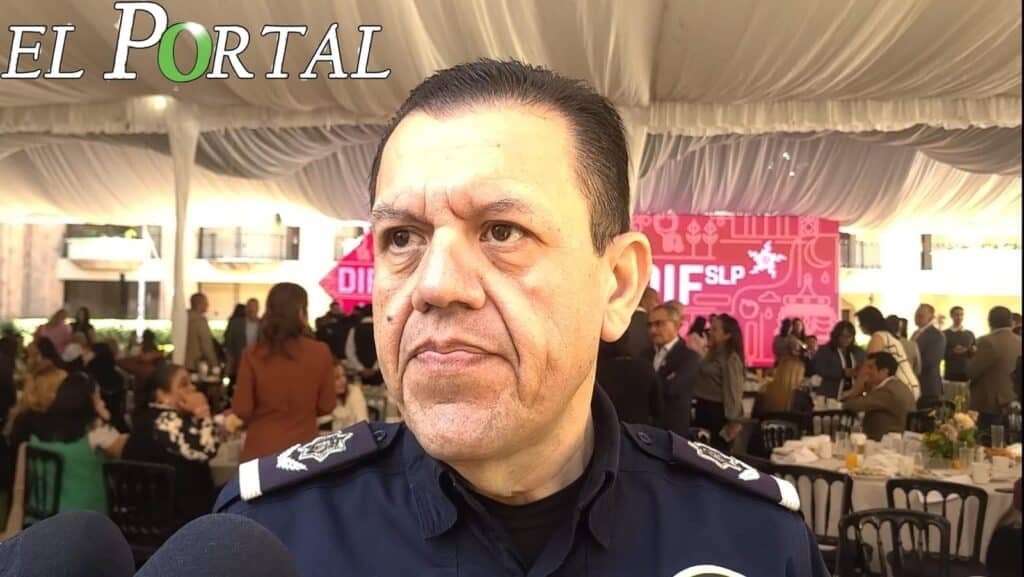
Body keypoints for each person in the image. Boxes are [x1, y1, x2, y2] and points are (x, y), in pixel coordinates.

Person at [216, 60, 826, 577]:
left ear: (618, 285)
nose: (435, 285)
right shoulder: (270, 544)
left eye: (502, 231)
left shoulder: (751, 542)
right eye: (402, 237)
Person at [232, 282, 336, 461]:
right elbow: (327, 405)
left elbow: (242, 409)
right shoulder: (321, 352)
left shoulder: (252, 354)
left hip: (260, 451)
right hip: (304, 452)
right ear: (301, 312)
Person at [5, 368, 120, 522]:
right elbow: (127, 450)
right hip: (84, 518)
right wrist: (107, 418)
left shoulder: (35, 431)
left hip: (39, 514)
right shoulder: (95, 432)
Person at [121, 363, 220, 529]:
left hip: (148, 514)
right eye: (183, 384)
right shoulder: (166, 421)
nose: (192, 388)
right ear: (162, 395)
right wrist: (203, 411)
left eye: (191, 383)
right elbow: (208, 450)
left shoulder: (150, 417)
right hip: (175, 517)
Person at [693, 314, 747, 451]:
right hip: (703, 408)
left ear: (727, 335)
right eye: (711, 328)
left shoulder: (730, 359)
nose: (710, 332)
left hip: (717, 413)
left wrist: (733, 421)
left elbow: (733, 391)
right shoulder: (711, 353)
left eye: (715, 329)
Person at [967, 306, 1022, 429]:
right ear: (1010, 321)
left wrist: (971, 356)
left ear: (990, 321)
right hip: (1014, 399)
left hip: (991, 403)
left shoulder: (987, 341)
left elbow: (971, 372)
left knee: (987, 437)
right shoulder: (1019, 341)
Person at [840, 352, 916, 441]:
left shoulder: (887, 391)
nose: (866, 371)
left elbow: (852, 405)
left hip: (885, 443)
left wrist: (856, 389)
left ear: (884, 371)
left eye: (871, 367)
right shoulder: (900, 385)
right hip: (901, 439)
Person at [648, 304, 699, 436]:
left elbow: (672, 389)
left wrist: (651, 387)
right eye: (650, 325)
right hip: (646, 428)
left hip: (672, 431)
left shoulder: (689, 357)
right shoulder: (645, 354)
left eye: (659, 324)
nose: (653, 330)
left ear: (676, 325)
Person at [596, 333, 662, 427]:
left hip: (608, 430)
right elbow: (658, 409)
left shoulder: (598, 371)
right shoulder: (645, 367)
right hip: (639, 432)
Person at [857, 307, 920, 400]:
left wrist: (854, 391)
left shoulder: (878, 337)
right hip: (908, 385)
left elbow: (869, 367)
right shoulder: (888, 335)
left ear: (867, 323)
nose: (859, 326)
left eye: (860, 323)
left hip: (900, 387)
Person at [810, 321, 864, 399]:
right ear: (836, 335)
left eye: (849, 336)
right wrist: (843, 373)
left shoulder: (857, 352)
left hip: (852, 395)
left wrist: (858, 371)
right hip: (830, 395)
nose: (846, 339)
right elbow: (820, 369)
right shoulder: (825, 350)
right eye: (842, 336)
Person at [319, 360, 369, 432]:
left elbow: (363, 425)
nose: (343, 380)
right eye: (337, 378)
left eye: (344, 375)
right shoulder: (318, 397)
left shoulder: (353, 392)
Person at [912, 303, 946, 406]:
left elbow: (930, 361)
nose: (917, 317)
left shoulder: (937, 335)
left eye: (921, 315)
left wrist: (910, 368)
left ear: (930, 318)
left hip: (928, 386)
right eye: (916, 315)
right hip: (915, 384)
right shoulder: (915, 333)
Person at [184, 292, 219, 373]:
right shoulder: (199, 321)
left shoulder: (183, 319)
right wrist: (214, 363)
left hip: (183, 363)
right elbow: (206, 344)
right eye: (206, 302)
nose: (208, 305)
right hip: (197, 364)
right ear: (199, 304)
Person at [944, 306, 976, 384]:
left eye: (961, 315)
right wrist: (953, 351)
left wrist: (973, 350)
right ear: (951, 316)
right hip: (951, 372)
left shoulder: (970, 334)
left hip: (967, 372)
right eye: (957, 315)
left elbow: (975, 353)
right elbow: (940, 353)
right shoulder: (945, 334)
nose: (959, 317)